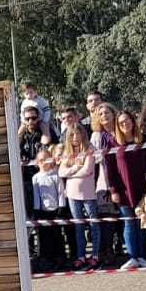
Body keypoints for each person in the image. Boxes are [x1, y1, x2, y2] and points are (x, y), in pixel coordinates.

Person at [107, 107, 146, 268]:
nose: (125, 124)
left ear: (133, 121)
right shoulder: (112, 142)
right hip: (123, 189)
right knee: (129, 223)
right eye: (121, 122)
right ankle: (132, 256)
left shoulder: (143, 139)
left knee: (141, 222)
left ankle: (141, 256)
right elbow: (110, 169)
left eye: (127, 120)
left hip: (142, 188)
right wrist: (113, 190)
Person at [58, 110, 101, 269]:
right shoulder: (67, 153)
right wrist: (76, 167)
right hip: (72, 194)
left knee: (93, 223)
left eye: (77, 134)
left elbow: (88, 170)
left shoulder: (89, 149)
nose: (75, 138)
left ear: (83, 134)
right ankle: (81, 255)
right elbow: (61, 171)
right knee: (79, 226)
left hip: (88, 193)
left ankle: (95, 254)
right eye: (72, 135)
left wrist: (72, 172)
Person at [30, 146, 67, 272]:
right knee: (44, 237)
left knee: (57, 236)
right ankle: (46, 259)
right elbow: (36, 196)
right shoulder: (36, 177)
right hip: (43, 212)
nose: (43, 163)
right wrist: (36, 211)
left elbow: (60, 193)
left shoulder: (55, 176)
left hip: (55, 211)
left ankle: (60, 258)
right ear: (37, 162)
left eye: (46, 159)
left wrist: (61, 208)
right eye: (41, 160)